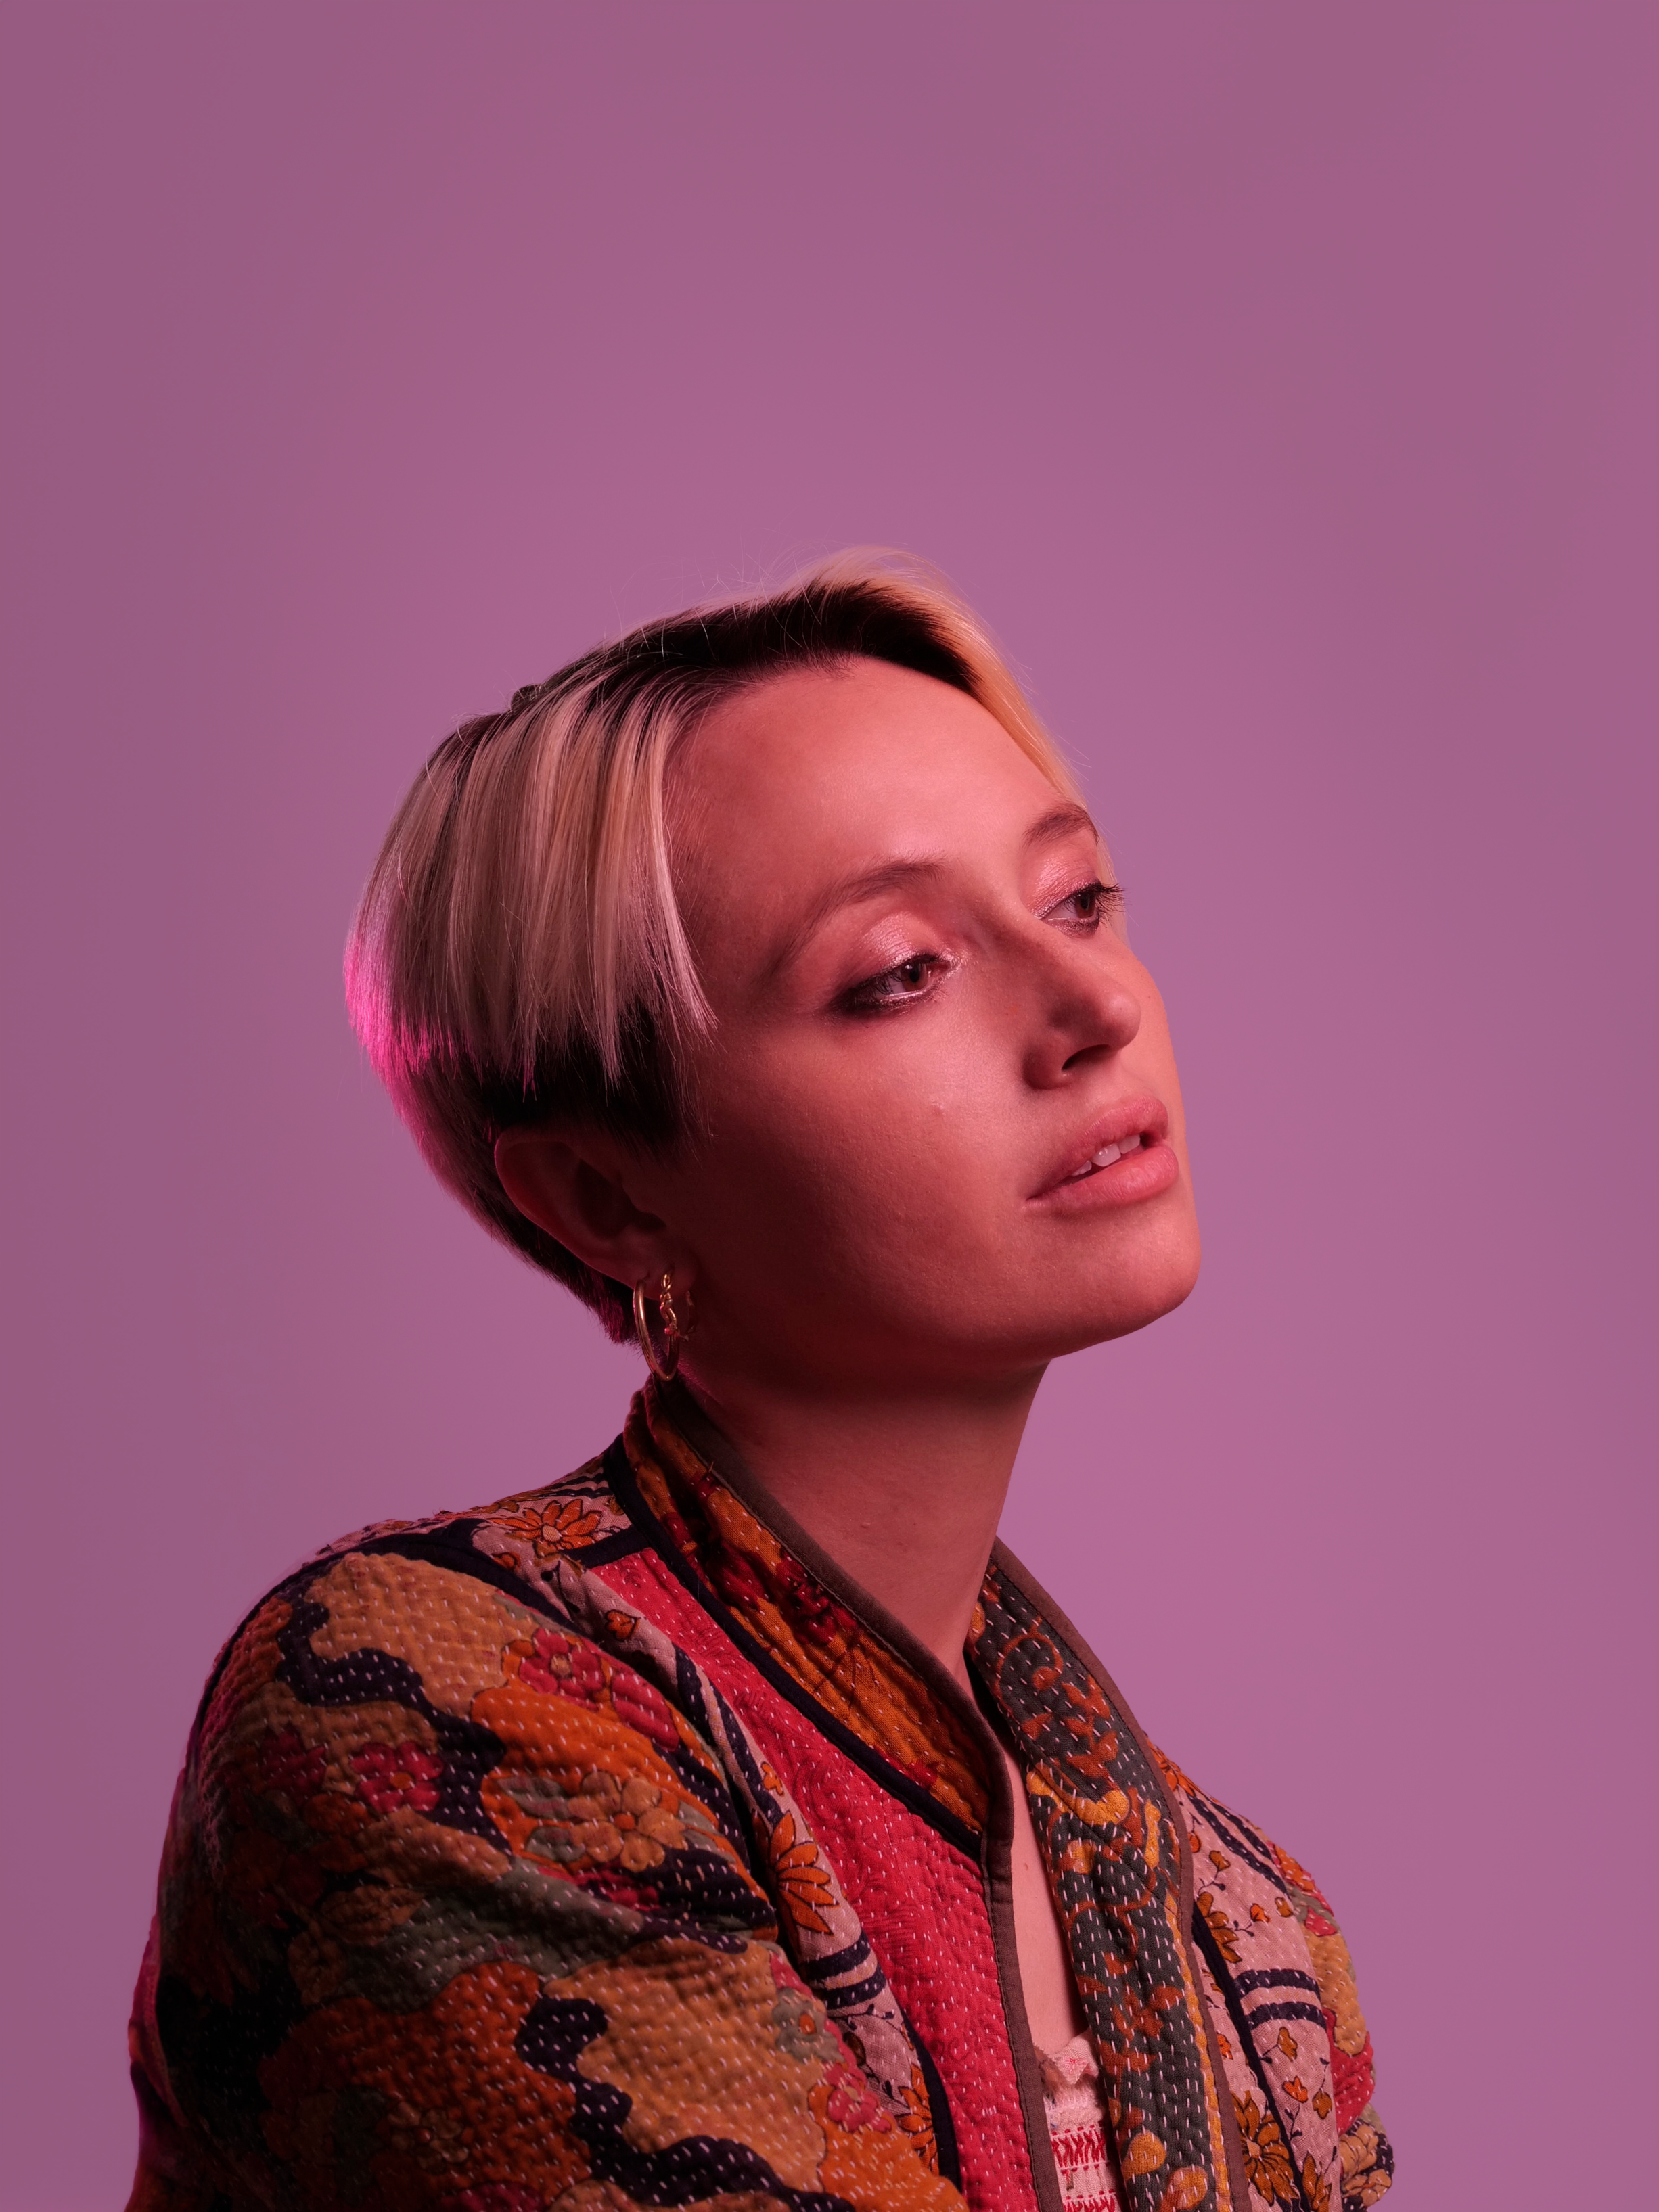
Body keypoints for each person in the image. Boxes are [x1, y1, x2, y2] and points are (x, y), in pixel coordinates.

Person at [126, 555, 1394, 2212]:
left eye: (1075, 899)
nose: (1094, 1008)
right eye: (898, 974)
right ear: (606, 1195)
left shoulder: (1248, 1929)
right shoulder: (426, 1712)